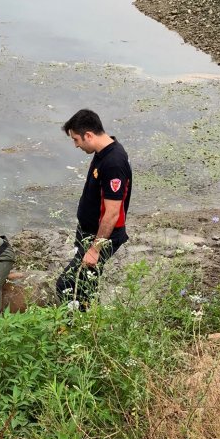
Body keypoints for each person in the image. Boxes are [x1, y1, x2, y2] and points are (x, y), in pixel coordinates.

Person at [55, 109, 132, 309]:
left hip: (101, 237)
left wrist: (95, 249)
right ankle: (89, 319)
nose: (76, 145)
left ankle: (76, 326)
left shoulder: (114, 163)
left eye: (76, 140)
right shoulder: (102, 152)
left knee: (66, 284)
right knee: (87, 283)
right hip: (89, 231)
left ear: (88, 135)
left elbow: (113, 212)